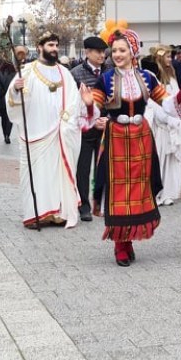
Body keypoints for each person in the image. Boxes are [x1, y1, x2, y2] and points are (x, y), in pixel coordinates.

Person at [87, 29, 181, 267]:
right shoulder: (105, 78)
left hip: (141, 138)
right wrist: (90, 105)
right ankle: (120, 244)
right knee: (120, 190)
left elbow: (168, 105)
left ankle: (129, 237)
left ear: (133, 52)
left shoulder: (148, 77)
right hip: (117, 138)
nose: (117, 55)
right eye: (115, 51)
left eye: (123, 50)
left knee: (137, 189)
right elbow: (95, 110)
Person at [7, 31, 90, 228]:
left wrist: (66, 122)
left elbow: (73, 100)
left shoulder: (64, 73)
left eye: (55, 45)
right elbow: (14, 101)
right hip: (36, 134)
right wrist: (16, 90)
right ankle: (36, 214)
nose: (53, 49)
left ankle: (58, 213)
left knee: (57, 173)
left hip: (60, 133)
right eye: (50, 45)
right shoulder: (27, 71)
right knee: (35, 175)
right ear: (39, 47)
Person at [145, 45, 181, 206]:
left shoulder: (172, 76)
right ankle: (158, 192)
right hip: (161, 125)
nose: (170, 59)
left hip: (175, 123)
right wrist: (167, 118)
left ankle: (169, 192)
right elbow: (154, 103)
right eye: (168, 57)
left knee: (172, 160)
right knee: (161, 157)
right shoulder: (153, 77)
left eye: (171, 56)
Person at [71, 36, 109, 222]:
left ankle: (101, 202)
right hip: (85, 131)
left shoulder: (111, 72)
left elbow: (115, 99)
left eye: (104, 52)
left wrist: (107, 119)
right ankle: (84, 206)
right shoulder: (76, 74)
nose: (102, 55)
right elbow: (72, 104)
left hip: (106, 127)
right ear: (87, 52)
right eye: (98, 52)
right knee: (83, 169)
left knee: (103, 166)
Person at [0, 60, 17, 143]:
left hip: (1, 100)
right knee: (10, 118)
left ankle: (4, 133)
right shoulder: (15, 74)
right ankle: (7, 135)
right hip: (11, 99)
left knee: (3, 118)